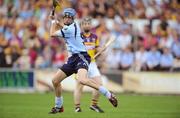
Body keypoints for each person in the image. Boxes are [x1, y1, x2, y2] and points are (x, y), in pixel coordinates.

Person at [49, 8, 118, 114]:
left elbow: (52, 33)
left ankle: (108, 94)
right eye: (65, 17)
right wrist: (57, 21)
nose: (67, 19)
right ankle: (59, 106)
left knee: (82, 80)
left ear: (72, 19)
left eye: (69, 17)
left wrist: (53, 21)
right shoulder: (72, 26)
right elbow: (64, 28)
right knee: (55, 81)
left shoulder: (69, 29)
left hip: (81, 57)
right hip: (72, 59)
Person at [73, 17, 104, 113]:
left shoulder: (94, 37)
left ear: (90, 25)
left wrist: (101, 50)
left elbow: (97, 49)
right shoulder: (78, 36)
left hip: (92, 63)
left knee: (99, 84)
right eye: (84, 23)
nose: (87, 25)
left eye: (88, 23)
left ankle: (94, 105)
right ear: (81, 25)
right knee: (80, 85)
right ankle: (77, 107)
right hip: (81, 63)